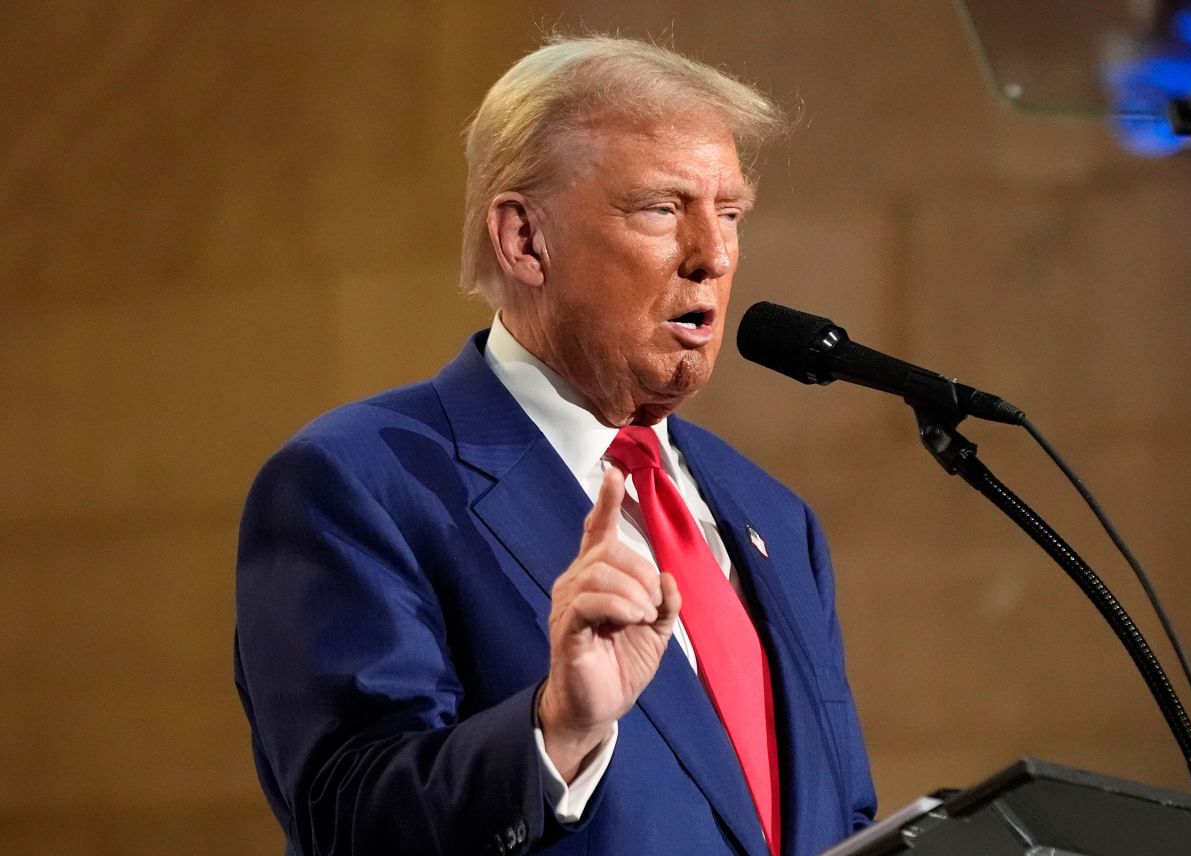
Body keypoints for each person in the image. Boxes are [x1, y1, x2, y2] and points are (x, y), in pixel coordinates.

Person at [235, 34, 876, 856]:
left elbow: (844, 815)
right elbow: (349, 820)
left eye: (729, 213)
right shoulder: (360, 482)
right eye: (659, 208)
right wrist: (557, 730)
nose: (712, 256)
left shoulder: (774, 519)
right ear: (525, 240)